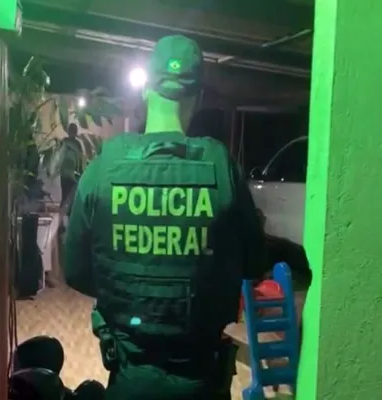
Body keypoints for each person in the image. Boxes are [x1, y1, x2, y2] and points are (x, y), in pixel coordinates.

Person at [63, 35, 268, 400]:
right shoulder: (220, 166)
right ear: (198, 98)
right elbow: (254, 264)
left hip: (129, 379)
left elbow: (76, 272)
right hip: (201, 383)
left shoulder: (105, 167)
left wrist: (129, 296)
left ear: (145, 89)